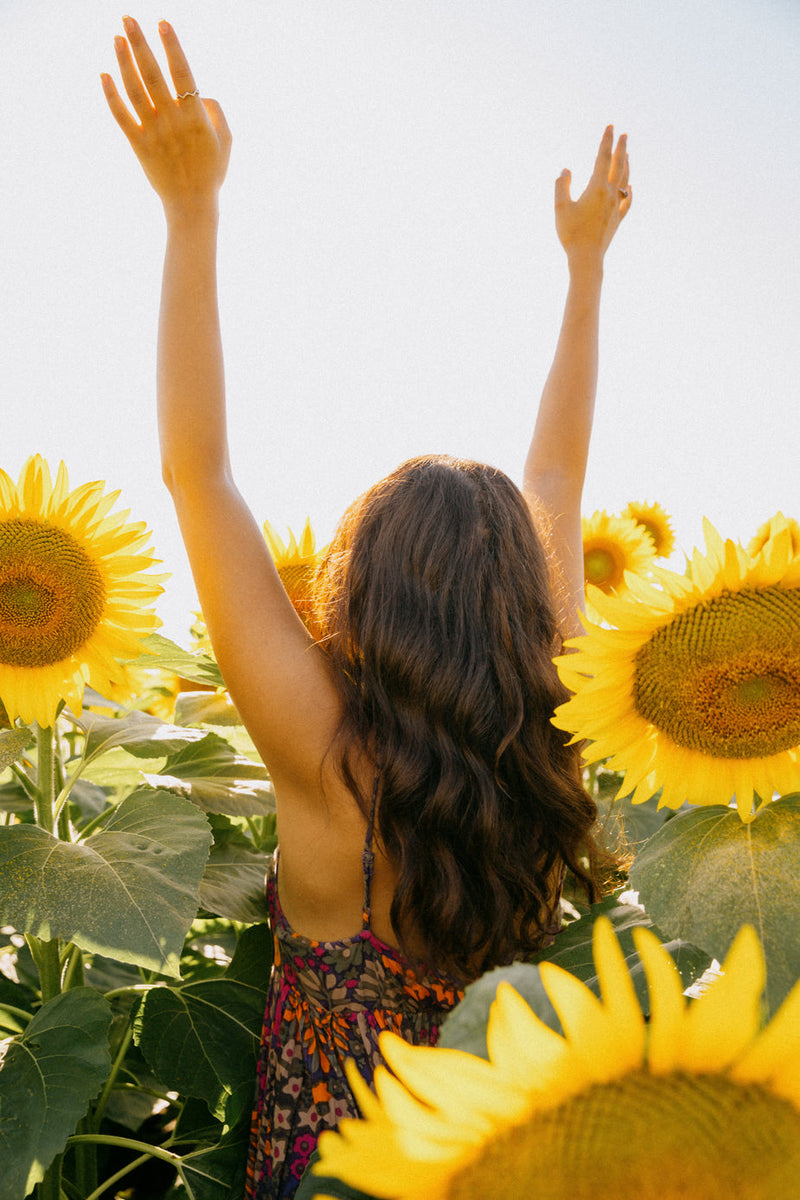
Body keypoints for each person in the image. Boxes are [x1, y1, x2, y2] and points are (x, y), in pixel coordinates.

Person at [102, 17, 631, 1200]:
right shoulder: (550, 743)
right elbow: (553, 483)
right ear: (520, 607)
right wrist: (585, 269)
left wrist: (192, 216)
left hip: (320, 1172)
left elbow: (199, 470)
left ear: (363, 584)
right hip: (496, 1162)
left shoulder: (320, 750)